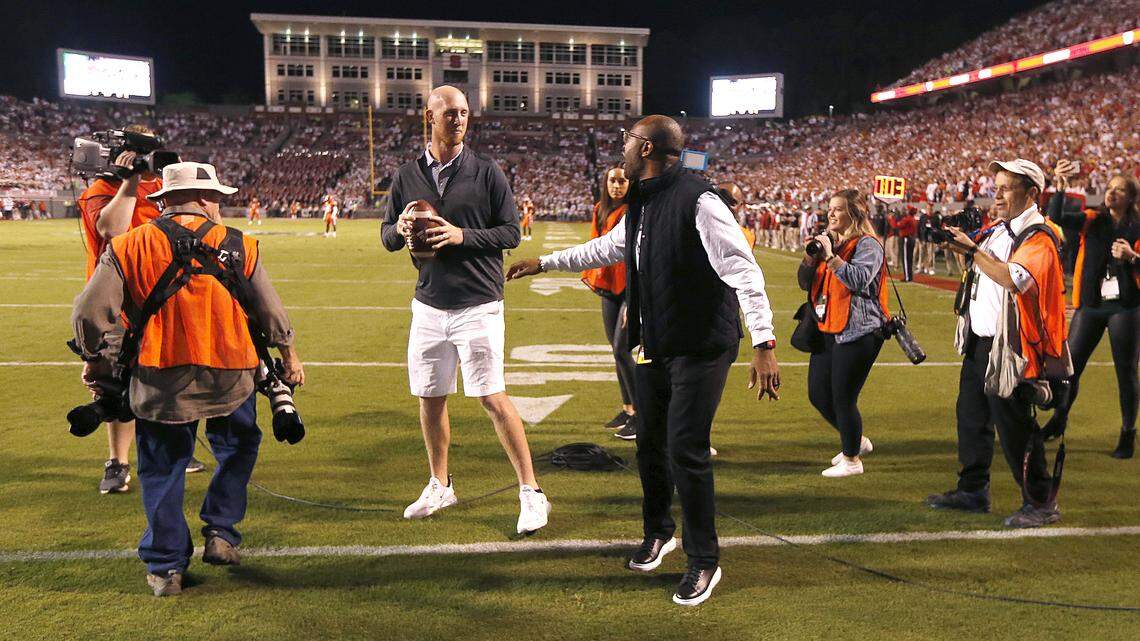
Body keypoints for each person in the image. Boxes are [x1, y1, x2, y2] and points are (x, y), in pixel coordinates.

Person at [507, 115, 780, 606]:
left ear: (648, 147)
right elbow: (611, 247)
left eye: (628, 141)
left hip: (701, 345)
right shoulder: (643, 198)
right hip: (656, 341)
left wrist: (764, 344)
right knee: (649, 444)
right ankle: (659, 531)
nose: (623, 150)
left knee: (686, 449)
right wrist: (545, 262)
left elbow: (745, 271)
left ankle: (704, 561)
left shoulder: (700, 200)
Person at [71, 161, 304, 596]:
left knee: (162, 467)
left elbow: (87, 313)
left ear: (164, 201)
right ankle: (220, 532)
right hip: (232, 375)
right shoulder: (241, 245)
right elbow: (271, 313)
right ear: (207, 199)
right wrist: (289, 355)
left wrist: (93, 359)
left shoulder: (129, 246)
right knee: (239, 447)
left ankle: (165, 569)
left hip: (160, 375)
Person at [380, 85, 550, 535]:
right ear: (429, 117)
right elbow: (386, 236)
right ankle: (440, 483)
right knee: (430, 398)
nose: (458, 119)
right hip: (429, 305)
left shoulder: (486, 171)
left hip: (478, 303)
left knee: (492, 397)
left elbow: (511, 233)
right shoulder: (406, 175)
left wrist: (462, 236)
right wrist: (397, 228)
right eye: (449, 113)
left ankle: (531, 492)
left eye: (463, 113)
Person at [926, 159, 1068, 528]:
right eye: (997, 185)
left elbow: (1012, 278)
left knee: (1015, 425)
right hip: (980, 341)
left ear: (1032, 193)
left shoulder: (1039, 235)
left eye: (1006, 187)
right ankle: (973, 490)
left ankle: (1040, 502)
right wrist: (960, 244)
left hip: (1012, 348)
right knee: (971, 419)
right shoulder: (1001, 230)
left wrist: (972, 251)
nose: (997, 193)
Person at [77, 125, 205, 493]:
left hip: (159, 298)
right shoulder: (99, 191)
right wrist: (129, 183)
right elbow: (113, 230)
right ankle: (117, 462)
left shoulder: (159, 192)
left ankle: (170, 446)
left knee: (166, 374)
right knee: (115, 383)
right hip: (117, 302)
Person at [1044, 161, 1139, 457]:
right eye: (1109, 188)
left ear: (1131, 197)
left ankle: (1127, 434)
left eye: (1119, 190)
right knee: (1069, 369)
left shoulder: (1137, 226)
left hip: (1126, 306)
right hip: (1092, 305)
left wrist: (1133, 256)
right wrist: (1060, 187)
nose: (1112, 194)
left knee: (1126, 372)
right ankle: (1059, 418)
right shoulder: (1093, 219)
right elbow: (1055, 216)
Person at [798, 189, 889, 477]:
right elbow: (803, 282)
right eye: (830, 209)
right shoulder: (831, 242)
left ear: (855, 213)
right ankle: (856, 440)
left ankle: (852, 460)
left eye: (838, 209)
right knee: (818, 394)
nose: (831, 214)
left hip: (859, 330)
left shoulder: (869, 245)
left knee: (843, 397)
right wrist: (812, 258)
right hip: (827, 325)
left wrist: (831, 258)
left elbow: (859, 279)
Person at [582, 167, 638, 439]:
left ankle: (642, 414)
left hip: (629, 286)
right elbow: (595, 244)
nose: (617, 186)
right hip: (608, 284)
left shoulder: (634, 210)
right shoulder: (599, 209)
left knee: (622, 348)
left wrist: (635, 297)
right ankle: (628, 409)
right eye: (612, 181)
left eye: (622, 181)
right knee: (616, 350)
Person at [889, 206, 918, 281]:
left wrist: (892, 218)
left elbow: (896, 226)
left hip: (906, 239)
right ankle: (909, 276)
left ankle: (907, 277)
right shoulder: (913, 219)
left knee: (905, 259)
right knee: (909, 259)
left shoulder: (907, 219)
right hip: (911, 238)